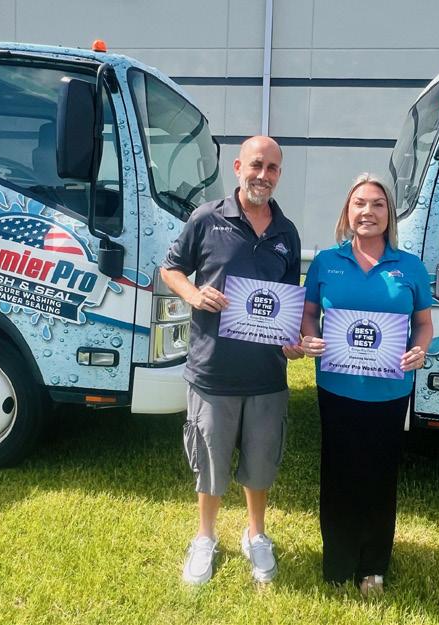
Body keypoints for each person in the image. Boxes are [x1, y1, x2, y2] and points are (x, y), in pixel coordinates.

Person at [160, 136, 304, 585]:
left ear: (279, 174)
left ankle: (255, 534)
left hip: (266, 375)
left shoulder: (287, 233)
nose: (263, 175)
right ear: (239, 167)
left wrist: (292, 340)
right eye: (256, 165)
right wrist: (193, 293)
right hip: (213, 370)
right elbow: (170, 269)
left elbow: (289, 304)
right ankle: (205, 537)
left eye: (272, 168)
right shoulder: (207, 218)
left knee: (260, 463)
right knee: (210, 461)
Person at [299, 173, 433, 595]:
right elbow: (308, 314)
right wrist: (309, 338)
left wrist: (420, 350)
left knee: (379, 478)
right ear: (347, 211)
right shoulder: (326, 262)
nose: (368, 211)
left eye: (377, 204)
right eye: (360, 203)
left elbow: (423, 324)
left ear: (388, 214)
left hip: (390, 392)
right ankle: (338, 563)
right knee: (338, 476)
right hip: (337, 388)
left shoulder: (409, 266)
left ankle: (373, 566)